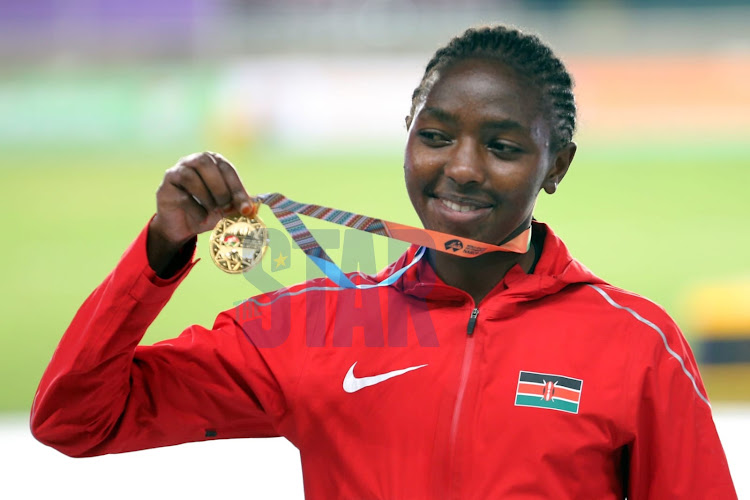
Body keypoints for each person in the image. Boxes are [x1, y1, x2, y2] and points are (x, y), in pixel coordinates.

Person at [31, 25, 737, 499]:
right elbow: (75, 418)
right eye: (435, 135)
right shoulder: (311, 329)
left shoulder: (637, 345)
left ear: (558, 165)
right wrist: (161, 251)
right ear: (407, 134)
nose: (460, 169)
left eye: (503, 146)